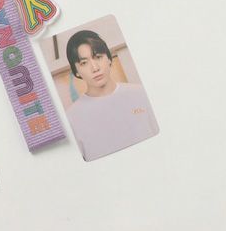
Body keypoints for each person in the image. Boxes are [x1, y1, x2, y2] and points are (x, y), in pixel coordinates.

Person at [65, 29, 159, 161]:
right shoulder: (71, 118)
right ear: (76, 71)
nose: (95, 68)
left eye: (98, 57)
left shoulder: (141, 93)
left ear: (109, 59)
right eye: (84, 63)